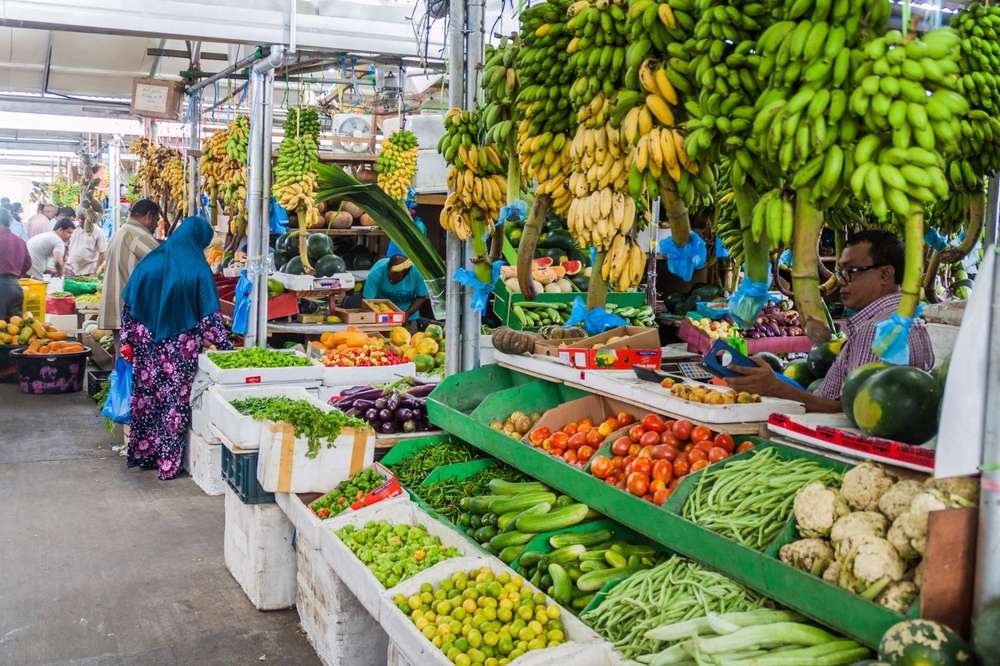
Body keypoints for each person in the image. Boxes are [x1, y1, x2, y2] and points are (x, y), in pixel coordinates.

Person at [726, 230, 934, 412]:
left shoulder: (875, 331)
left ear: (885, 274)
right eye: (839, 273)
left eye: (851, 272)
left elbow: (850, 411)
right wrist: (776, 381)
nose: (841, 281)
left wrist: (775, 387)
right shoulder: (914, 323)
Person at [120, 216, 232, 479]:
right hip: (178, 348)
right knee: (173, 402)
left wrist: (129, 339)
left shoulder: (152, 259)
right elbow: (209, 319)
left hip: (146, 341)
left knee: (146, 397)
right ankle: (167, 464)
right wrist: (226, 348)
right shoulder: (197, 267)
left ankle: (145, 454)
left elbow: (129, 304)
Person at [98, 199, 160, 336]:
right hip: (131, 314)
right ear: (149, 216)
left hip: (118, 311)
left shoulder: (121, 232)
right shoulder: (139, 235)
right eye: (156, 220)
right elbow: (163, 267)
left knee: (122, 355)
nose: (156, 225)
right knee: (133, 356)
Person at [362, 254, 429, 322]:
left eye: (396, 280)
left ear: (405, 275)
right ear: (387, 267)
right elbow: (367, 301)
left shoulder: (417, 273)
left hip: (408, 314)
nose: (392, 281)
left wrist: (406, 315)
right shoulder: (376, 273)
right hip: (381, 315)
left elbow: (421, 297)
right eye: (390, 277)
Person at [0, 209, 31, 318]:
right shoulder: (20, 241)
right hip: (16, 287)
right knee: (14, 328)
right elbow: (28, 263)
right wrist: (15, 276)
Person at [65, 207, 109, 277]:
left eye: (84, 219)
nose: (80, 220)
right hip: (71, 269)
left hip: (89, 271)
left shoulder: (98, 231)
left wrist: (95, 272)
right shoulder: (72, 227)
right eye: (79, 218)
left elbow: (102, 253)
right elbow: (65, 245)